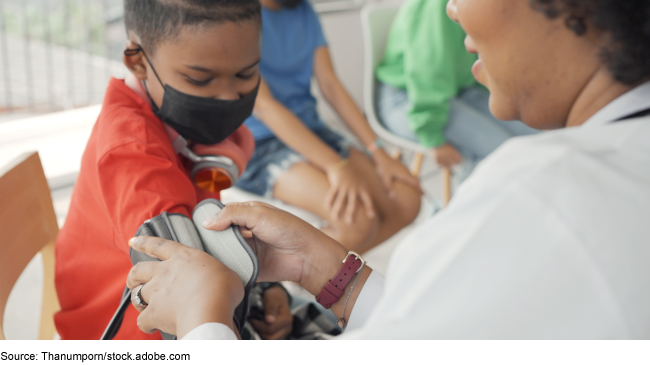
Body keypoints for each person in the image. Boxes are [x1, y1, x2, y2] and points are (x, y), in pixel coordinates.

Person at [125, 0, 650, 339]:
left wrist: (202, 322)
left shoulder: (538, 195)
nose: (451, 9)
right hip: (287, 155)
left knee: (398, 197)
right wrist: (330, 272)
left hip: (322, 146)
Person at [53, 0, 298, 340]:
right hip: (133, 332)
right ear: (138, 60)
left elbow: (210, 246)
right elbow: (187, 294)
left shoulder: (179, 122)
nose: (228, 97)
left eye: (246, 74)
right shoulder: (133, 155)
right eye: (200, 79)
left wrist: (263, 291)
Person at [235, 0, 422, 253]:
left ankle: (312, 276)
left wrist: (377, 150)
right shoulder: (236, 14)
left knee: (407, 201)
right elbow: (265, 107)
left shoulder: (304, 10)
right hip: (259, 144)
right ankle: (293, 281)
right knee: (357, 223)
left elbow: (330, 85)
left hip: (312, 128)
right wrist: (335, 165)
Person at [375, 0, 539, 183]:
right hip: (410, 97)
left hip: (459, 89)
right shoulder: (436, 6)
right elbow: (428, 73)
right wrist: (432, 137)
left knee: (539, 140)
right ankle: (465, 209)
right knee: (505, 157)